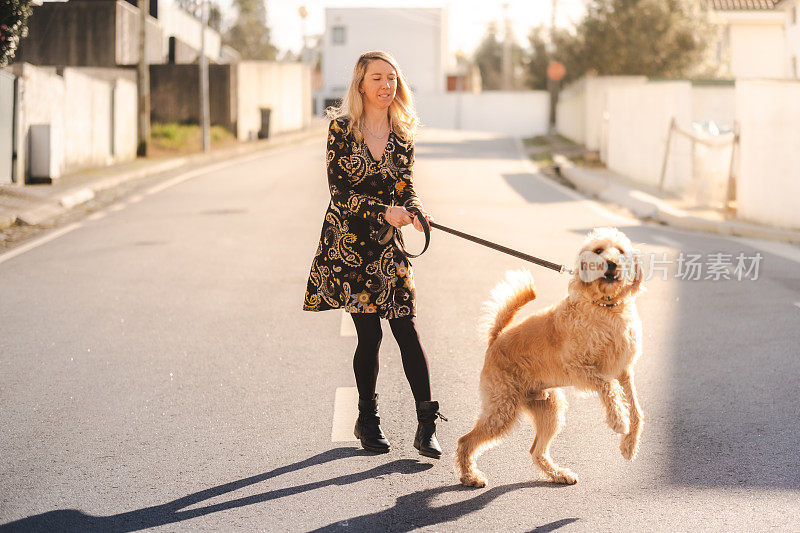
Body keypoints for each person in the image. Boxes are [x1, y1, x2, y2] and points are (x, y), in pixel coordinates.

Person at [302, 51, 446, 458]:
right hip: (350, 245)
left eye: (392, 78)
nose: (387, 85)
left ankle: (426, 424)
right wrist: (385, 211)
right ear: (361, 84)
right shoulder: (341, 130)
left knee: (407, 329)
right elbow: (340, 193)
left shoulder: (403, 133)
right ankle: (368, 419)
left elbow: (406, 186)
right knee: (370, 335)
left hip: (388, 247)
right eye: (378, 78)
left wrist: (414, 210)